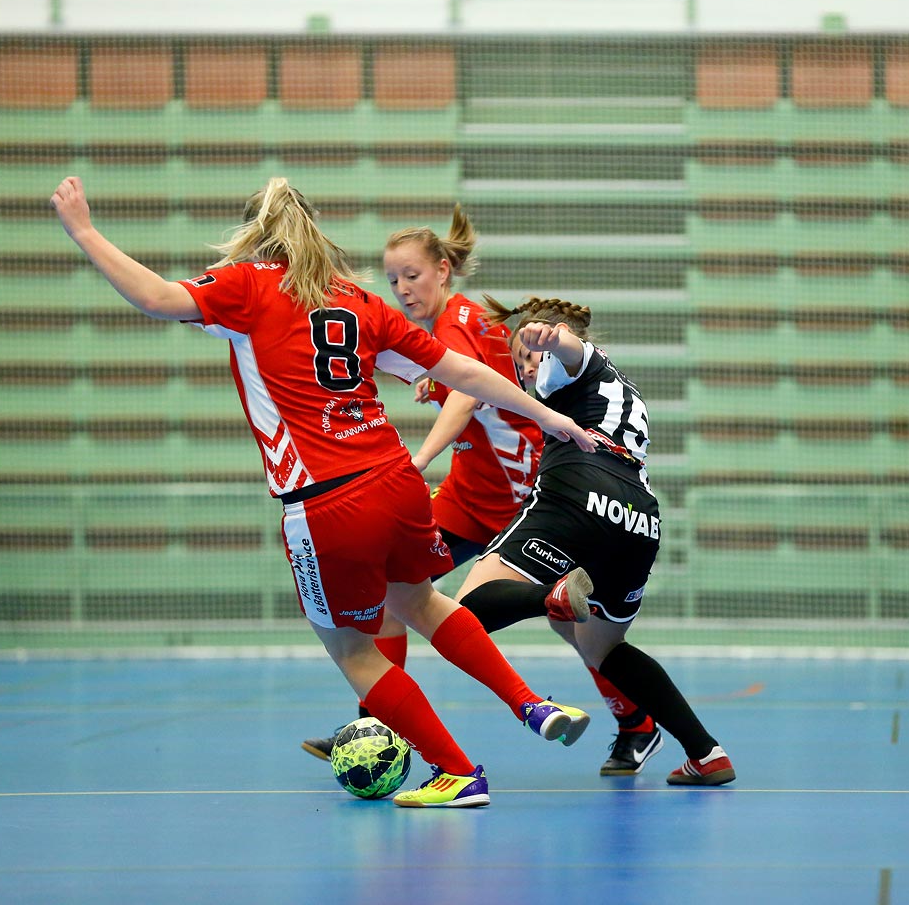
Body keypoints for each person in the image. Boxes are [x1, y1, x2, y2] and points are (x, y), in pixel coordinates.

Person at [49, 175, 596, 809]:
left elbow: (156, 298)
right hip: (398, 480)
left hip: (326, 501)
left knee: (354, 650)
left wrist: (85, 231)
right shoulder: (357, 299)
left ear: (254, 237)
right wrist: (549, 415)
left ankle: (457, 773)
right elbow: (460, 369)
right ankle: (529, 704)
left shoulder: (245, 286)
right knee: (420, 602)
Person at [303, 206, 661, 778]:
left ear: (444, 271)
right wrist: (433, 385)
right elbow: (461, 387)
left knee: (570, 624)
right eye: (392, 279)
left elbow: (468, 395)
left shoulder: (455, 323)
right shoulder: (449, 326)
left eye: (412, 275)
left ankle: (635, 722)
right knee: (399, 591)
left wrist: (417, 460)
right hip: (473, 494)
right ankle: (377, 725)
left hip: (524, 492)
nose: (401, 289)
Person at [454, 295, 736, 787]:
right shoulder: (622, 389)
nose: (523, 371)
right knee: (605, 648)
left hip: (582, 489)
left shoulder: (570, 366)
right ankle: (706, 752)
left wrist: (551, 340)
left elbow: (570, 353)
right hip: (640, 518)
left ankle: (551, 596)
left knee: (463, 612)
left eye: (524, 358)